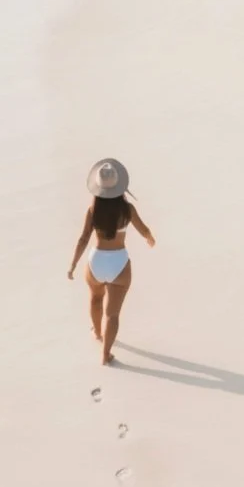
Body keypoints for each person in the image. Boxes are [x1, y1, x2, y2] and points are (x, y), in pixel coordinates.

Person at [66, 157, 155, 366]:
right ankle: (105, 354)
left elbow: (83, 238)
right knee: (112, 314)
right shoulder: (127, 210)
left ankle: (97, 332)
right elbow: (144, 230)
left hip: (95, 262)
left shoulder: (93, 209)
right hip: (119, 264)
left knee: (95, 299)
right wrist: (150, 239)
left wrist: (72, 265)